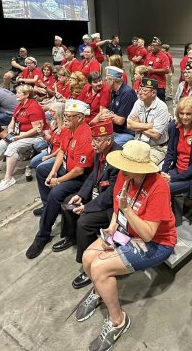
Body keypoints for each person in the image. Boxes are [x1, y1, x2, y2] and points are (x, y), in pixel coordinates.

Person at [75, 140, 176, 351]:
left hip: (157, 242)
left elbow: (148, 235)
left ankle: (118, 321)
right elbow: (116, 209)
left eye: (128, 167)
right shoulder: (125, 175)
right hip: (126, 232)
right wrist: (112, 229)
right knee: (87, 257)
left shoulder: (159, 187)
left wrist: (127, 210)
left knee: (99, 268)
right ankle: (99, 292)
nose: (122, 170)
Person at [53, 119, 121, 289]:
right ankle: (71, 237)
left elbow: (111, 194)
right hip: (99, 195)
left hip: (112, 207)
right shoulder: (100, 150)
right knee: (69, 202)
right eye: (92, 140)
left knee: (85, 222)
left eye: (97, 141)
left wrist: (87, 207)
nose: (93, 144)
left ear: (109, 141)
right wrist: (81, 195)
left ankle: (88, 266)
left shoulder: (117, 159)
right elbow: (93, 177)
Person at [26, 99, 94, 259]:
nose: (66, 119)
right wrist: (53, 172)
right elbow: (62, 151)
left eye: (69, 117)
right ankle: (48, 206)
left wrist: (59, 180)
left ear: (79, 118)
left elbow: (79, 170)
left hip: (80, 176)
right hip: (66, 167)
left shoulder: (86, 135)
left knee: (56, 192)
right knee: (42, 170)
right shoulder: (68, 129)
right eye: (65, 115)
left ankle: (42, 235)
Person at [0, 84, 46, 192]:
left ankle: (8, 179)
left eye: (19, 93)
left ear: (27, 94)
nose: (16, 94)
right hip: (20, 133)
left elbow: (36, 129)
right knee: (1, 145)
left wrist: (19, 137)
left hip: (36, 136)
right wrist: (10, 129)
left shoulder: (34, 107)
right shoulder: (21, 105)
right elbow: (13, 119)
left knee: (12, 147)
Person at [161, 97, 192, 197]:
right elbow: (170, 152)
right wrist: (163, 172)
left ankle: (170, 212)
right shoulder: (175, 128)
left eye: (188, 114)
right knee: (156, 183)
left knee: (163, 189)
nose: (184, 117)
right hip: (177, 170)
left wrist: (173, 178)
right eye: (181, 113)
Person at [127, 77, 170, 165]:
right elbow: (129, 124)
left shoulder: (162, 107)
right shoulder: (138, 102)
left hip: (157, 147)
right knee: (124, 159)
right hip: (139, 142)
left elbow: (156, 134)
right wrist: (148, 126)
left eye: (144, 90)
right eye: (140, 89)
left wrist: (138, 125)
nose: (140, 93)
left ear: (153, 93)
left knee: (146, 167)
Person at [94, 66, 136, 146]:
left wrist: (107, 114)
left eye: (106, 79)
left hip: (125, 132)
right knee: (94, 140)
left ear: (112, 80)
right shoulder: (114, 91)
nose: (105, 82)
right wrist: (108, 114)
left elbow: (120, 121)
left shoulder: (127, 93)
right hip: (113, 129)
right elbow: (111, 112)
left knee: (104, 145)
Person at [25, 102, 68, 182]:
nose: (50, 113)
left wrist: (49, 156)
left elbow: (63, 148)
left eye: (52, 111)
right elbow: (50, 139)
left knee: (40, 167)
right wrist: (42, 133)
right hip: (50, 149)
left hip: (58, 154)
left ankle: (53, 177)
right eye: (50, 111)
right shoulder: (53, 122)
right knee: (34, 162)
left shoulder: (65, 127)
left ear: (59, 112)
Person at [143, 37, 170, 102]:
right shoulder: (148, 55)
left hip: (159, 85)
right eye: (151, 45)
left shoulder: (164, 57)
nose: (152, 47)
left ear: (159, 47)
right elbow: (144, 66)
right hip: (148, 83)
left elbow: (166, 70)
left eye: (154, 46)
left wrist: (153, 70)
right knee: (149, 102)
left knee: (160, 104)